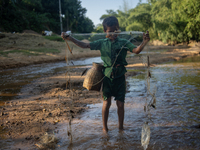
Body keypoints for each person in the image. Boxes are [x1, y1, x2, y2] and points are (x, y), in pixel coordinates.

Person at [61, 16, 150, 132]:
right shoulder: (102, 43)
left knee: (121, 105)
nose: (113, 34)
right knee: (106, 103)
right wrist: (70, 38)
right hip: (107, 77)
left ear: (118, 29)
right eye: (110, 31)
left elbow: (136, 50)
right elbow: (85, 45)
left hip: (120, 78)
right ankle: (105, 128)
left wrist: (144, 42)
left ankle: (121, 128)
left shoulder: (124, 42)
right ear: (105, 31)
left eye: (115, 31)